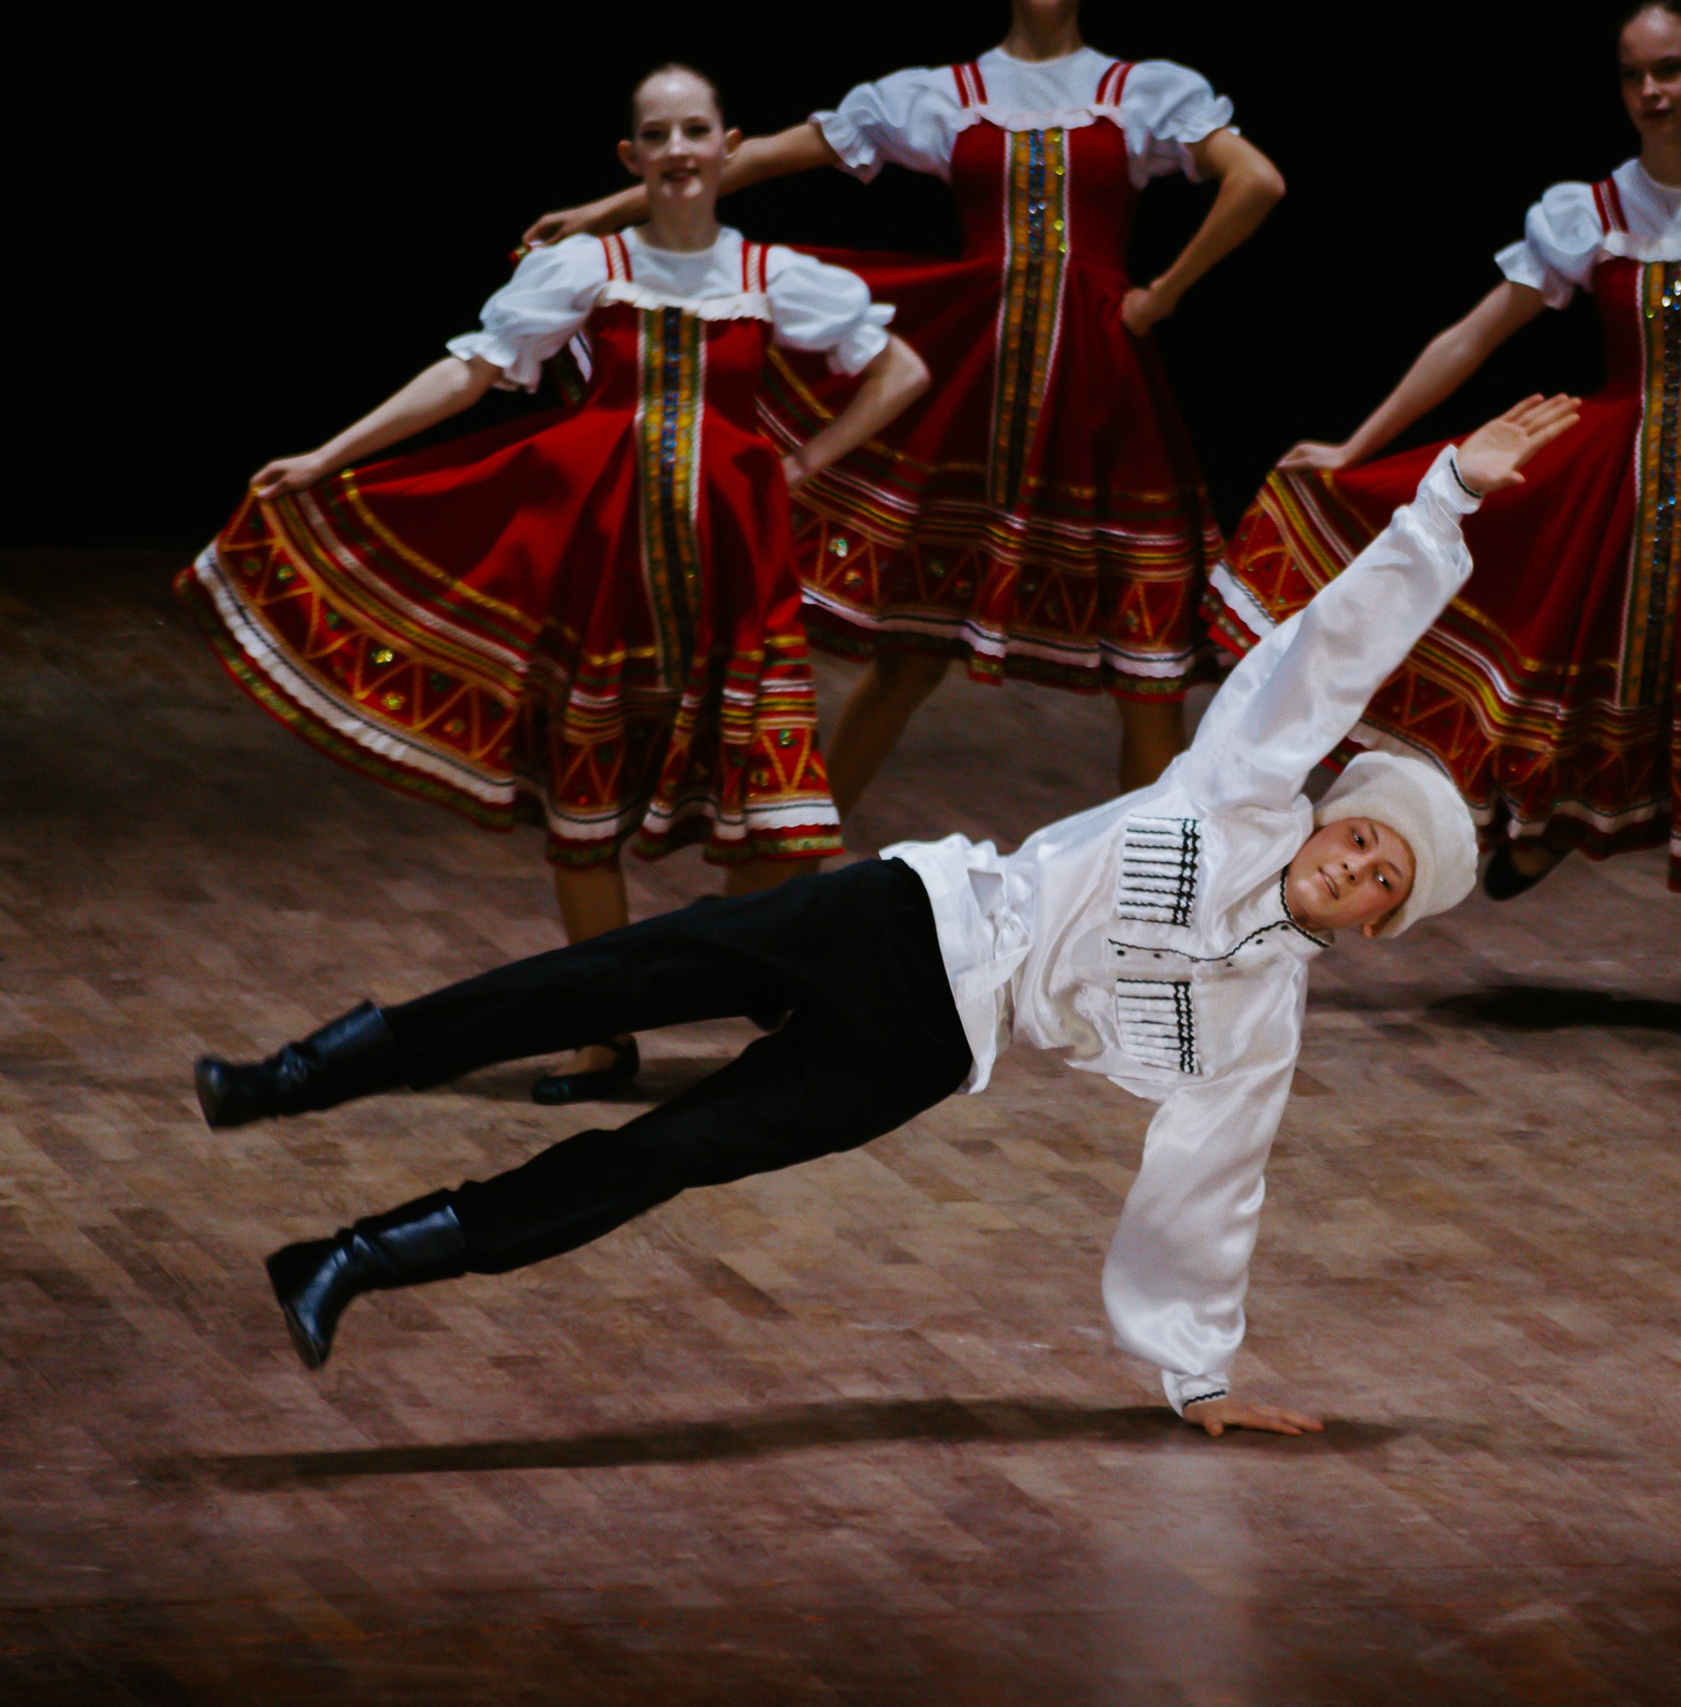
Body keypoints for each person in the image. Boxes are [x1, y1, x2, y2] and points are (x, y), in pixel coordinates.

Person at [192, 397, 1580, 1434]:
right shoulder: (1244, 788)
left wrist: (1196, 1374)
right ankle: (295, 1075)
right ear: (1331, 816)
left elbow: (1210, 1187)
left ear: (1377, 927)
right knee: (592, 984)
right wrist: (1445, 498)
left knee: (667, 1151)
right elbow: (1323, 656)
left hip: (925, 1048)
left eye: (1383, 879)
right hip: (899, 916)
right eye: (1362, 837)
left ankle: (350, 1256)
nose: (1356, 865)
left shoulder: (1257, 1025)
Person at [179, 66, 932, 1105]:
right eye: (656, 135)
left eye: (695, 131)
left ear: (727, 145)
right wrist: (325, 452)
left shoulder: (771, 271)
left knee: (777, 821)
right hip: (602, 563)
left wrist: (798, 466)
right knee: (583, 811)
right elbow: (471, 371)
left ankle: (731, 968)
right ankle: (602, 1032)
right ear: (631, 159)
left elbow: (900, 371)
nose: (677, 150)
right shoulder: (587, 266)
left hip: (729, 572)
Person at [1206, 1, 1681, 1046]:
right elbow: (1470, 336)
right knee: (1572, 662)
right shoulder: (1592, 210)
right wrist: (1356, 445)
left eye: (1672, 70)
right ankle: (1548, 825)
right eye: (1634, 75)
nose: (1653, 92)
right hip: (1600, 473)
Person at [526, 0, 1286, 824]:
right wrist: (606, 213)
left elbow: (1259, 180)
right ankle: (786, 869)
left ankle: (1146, 916)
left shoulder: (1140, 89)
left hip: (1098, 393)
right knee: (910, 654)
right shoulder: (943, 93)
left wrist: (1163, 296)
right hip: (974, 390)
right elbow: (759, 158)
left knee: (1148, 676)